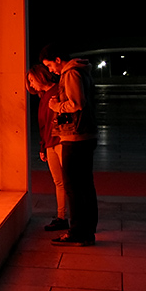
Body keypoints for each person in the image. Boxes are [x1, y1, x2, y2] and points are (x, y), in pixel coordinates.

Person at [40, 46, 98, 247]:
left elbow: (77, 103)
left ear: (57, 59)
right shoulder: (81, 72)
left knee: (73, 186)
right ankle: (87, 230)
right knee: (85, 186)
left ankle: (77, 231)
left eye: (49, 65)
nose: (50, 71)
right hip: (85, 135)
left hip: (76, 136)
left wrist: (56, 106)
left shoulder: (71, 73)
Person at [26, 64, 69, 232]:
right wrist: (43, 146)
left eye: (31, 80)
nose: (31, 84)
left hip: (61, 141)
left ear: (39, 76)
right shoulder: (43, 97)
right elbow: (43, 124)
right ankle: (61, 216)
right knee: (59, 181)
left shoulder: (58, 91)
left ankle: (64, 216)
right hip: (50, 143)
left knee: (65, 181)